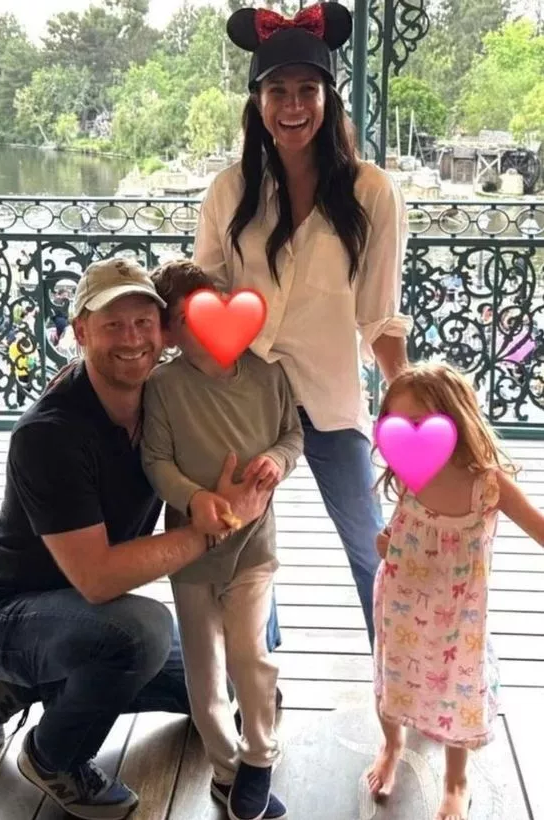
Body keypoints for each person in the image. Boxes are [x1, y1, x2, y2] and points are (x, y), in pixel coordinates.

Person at [0, 257, 273, 820]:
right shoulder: (49, 435)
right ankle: (53, 756)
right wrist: (217, 527)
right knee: (139, 633)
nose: (131, 339)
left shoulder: (163, 399)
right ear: (80, 331)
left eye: (143, 323)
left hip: (84, 613)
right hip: (11, 611)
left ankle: (24, 685)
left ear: (163, 332)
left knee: (222, 681)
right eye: (112, 325)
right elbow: (99, 578)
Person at [194, 2, 413, 650]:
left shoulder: (372, 192)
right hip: (244, 396)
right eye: (278, 91)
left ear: (327, 99)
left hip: (328, 396)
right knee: (241, 544)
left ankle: (400, 675)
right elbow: (202, 297)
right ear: (257, 103)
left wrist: (408, 394)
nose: (293, 106)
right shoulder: (228, 192)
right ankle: (255, 672)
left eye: (307, 90)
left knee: (369, 541)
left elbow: (378, 312)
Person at [142, 261, 303, 820]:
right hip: (191, 547)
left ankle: (259, 754)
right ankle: (225, 768)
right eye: (189, 317)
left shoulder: (267, 374)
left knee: (248, 653)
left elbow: (292, 434)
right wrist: (193, 498)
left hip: (253, 543)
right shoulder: (164, 387)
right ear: (170, 332)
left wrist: (277, 459)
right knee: (204, 668)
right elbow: (156, 459)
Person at [366, 362, 544, 820]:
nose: (406, 437)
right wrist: (388, 543)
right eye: (395, 424)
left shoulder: (488, 484)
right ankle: (392, 743)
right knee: (393, 679)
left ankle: (455, 781)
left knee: (455, 696)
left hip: (458, 620)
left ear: (455, 420)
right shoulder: (409, 470)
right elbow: (406, 530)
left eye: (418, 423)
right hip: (400, 605)